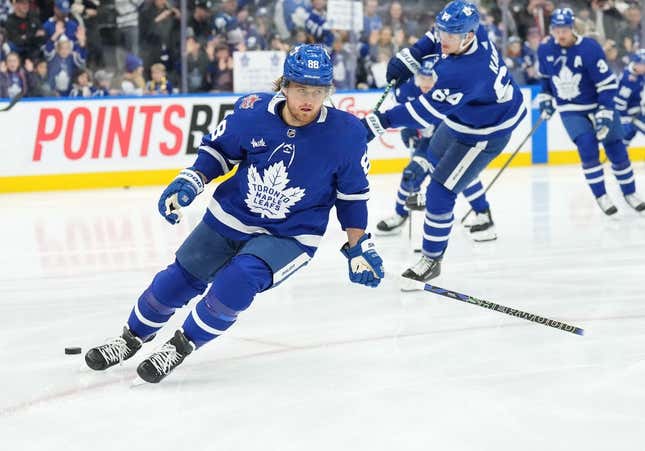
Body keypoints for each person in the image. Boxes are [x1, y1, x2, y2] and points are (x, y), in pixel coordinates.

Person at [84, 44, 384, 384]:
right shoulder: (251, 112)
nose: (308, 99)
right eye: (301, 88)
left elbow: (352, 196)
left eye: (318, 91)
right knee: (180, 277)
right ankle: (130, 338)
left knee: (239, 278)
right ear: (284, 85)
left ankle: (181, 345)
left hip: (291, 235)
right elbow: (218, 152)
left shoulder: (347, 135)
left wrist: (357, 245)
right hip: (232, 214)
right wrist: (193, 178)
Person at [362, 0, 526, 288]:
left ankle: (432, 258)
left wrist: (377, 123)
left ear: (468, 36)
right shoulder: (471, 33)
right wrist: (410, 57)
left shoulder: (463, 73)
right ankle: (456, 212)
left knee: (441, 189)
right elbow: (432, 37)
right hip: (464, 117)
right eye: (443, 31)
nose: (443, 38)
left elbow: (423, 112)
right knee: (437, 161)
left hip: (485, 132)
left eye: (451, 34)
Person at [375, 58, 498, 243]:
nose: (425, 84)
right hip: (427, 143)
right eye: (421, 78)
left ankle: (484, 215)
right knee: (411, 174)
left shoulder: (451, 88)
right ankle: (400, 216)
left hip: (453, 137)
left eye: (430, 79)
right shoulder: (407, 90)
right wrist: (408, 129)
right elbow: (406, 112)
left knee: (462, 174)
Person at [537, 8, 645, 215]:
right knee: (587, 149)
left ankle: (630, 193)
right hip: (571, 110)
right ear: (552, 29)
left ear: (572, 28)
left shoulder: (589, 48)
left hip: (598, 105)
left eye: (564, 29)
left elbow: (607, 84)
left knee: (616, 149)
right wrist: (546, 100)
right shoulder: (545, 50)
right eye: (556, 29)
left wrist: (604, 112)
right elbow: (545, 81)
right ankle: (601, 196)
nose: (560, 34)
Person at [614, 49, 644, 146]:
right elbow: (619, 102)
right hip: (633, 116)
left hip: (637, 113)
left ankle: (620, 157)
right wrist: (623, 119)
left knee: (626, 137)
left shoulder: (640, 74)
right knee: (626, 135)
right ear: (637, 64)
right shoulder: (628, 79)